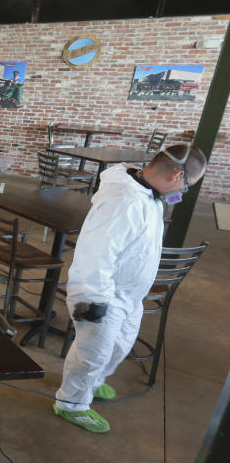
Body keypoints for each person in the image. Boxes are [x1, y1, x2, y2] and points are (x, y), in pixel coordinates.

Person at [54, 144, 208, 433]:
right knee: (92, 354)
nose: (185, 190)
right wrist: (93, 302)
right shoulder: (123, 200)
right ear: (176, 175)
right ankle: (71, 403)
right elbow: (95, 255)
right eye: (188, 184)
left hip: (129, 294)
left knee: (118, 345)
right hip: (102, 294)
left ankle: (93, 383)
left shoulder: (150, 195)